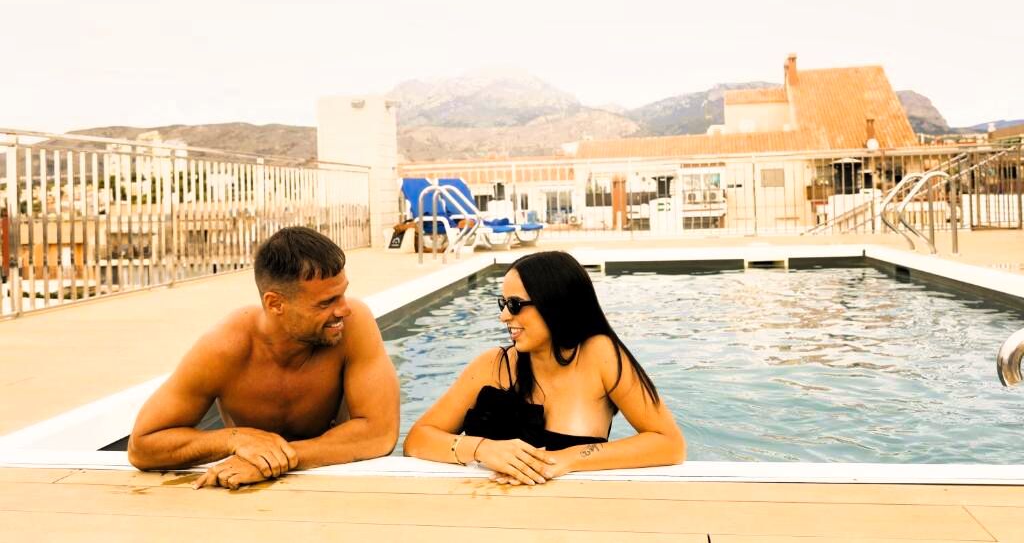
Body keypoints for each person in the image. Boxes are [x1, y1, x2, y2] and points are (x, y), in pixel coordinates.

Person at [128, 226, 399, 489]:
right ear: (275, 303)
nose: (344, 309)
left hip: (331, 481)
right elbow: (142, 447)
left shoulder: (353, 326)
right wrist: (236, 439)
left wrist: (272, 461)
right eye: (326, 302)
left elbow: (380, 433)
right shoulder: (226, 347)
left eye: (342, 294)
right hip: (241, 491)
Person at [403, 251, 684, 485]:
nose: (504, 316)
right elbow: (417, 439)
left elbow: (668, 443)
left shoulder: (600, 355)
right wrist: (481, 448)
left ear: (555, 304)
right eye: (503, 304)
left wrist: (565, 459)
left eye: (515, 304)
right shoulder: (493, 365)